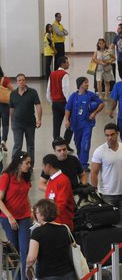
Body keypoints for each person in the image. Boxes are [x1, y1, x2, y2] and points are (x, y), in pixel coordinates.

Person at [0, 151, 32, 280]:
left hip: (24, 217)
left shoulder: (25, 177)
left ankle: (25, 277)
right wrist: (10, 216)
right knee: (14, 251)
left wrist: (30, 211)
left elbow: (25, 195)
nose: (29, 165)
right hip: (8, 219)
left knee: (25, 250)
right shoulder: (6, 177)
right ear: (19, 164)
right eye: (27, 163)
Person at [26, 199, 75, 279]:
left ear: (43, 214)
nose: (36, 215)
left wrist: (27, 267)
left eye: (37, 213)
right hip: (68, 273)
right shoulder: (65, 228)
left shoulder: (37, 232)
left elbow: (31, 258)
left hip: (47, 275)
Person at [65, 77, 104, 170]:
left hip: (87, 124)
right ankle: (80, 160)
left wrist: (94, 113)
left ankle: (84, 164)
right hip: (76, 124)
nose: (87, 84)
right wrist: (67, 120)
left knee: (85, 144)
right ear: (80, 84)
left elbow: (101, 104)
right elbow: (68, 108)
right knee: (78, 144)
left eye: (88, 82)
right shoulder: (73, 96)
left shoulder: (91, 95)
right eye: (85, 82)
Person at [9, 74, 42, 163]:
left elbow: (38, 105)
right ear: (16, 82)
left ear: (25, 81)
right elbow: (11, 109)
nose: (21, 82)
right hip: (17, 124)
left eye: (23, 80)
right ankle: (14, 165)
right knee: (17, 145)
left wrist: (39, 119)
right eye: (19, 80)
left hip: (30, 124)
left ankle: (30, 166)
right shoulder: (13, 94)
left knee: (30, 145)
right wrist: (12, 122)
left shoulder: (32, 92)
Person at [46, 56, 73, 149]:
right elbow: (66, 90)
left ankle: (56, 145)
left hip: (55, 103)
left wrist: (51, 101)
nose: (68, 64)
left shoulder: (52, 74)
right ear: (63, 63)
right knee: (71, 122)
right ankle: (65, 143)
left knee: (56, 125)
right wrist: (69, 104)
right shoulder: (64, 74)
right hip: (63, 103)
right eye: (67, 62)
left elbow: (48, 90)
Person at [42, 155, 76, 230]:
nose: (42, 168)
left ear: (48, 166)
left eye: (43, 166)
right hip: (54, 222)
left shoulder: (63, 180)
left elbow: (61, 205)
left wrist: (48, 218)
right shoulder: (52, 180)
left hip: (62, 223)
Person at [0, 67, 13, 152]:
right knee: (5, 125)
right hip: (4, 105)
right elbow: (12, 90)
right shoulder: (4, 80)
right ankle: (3, 140)